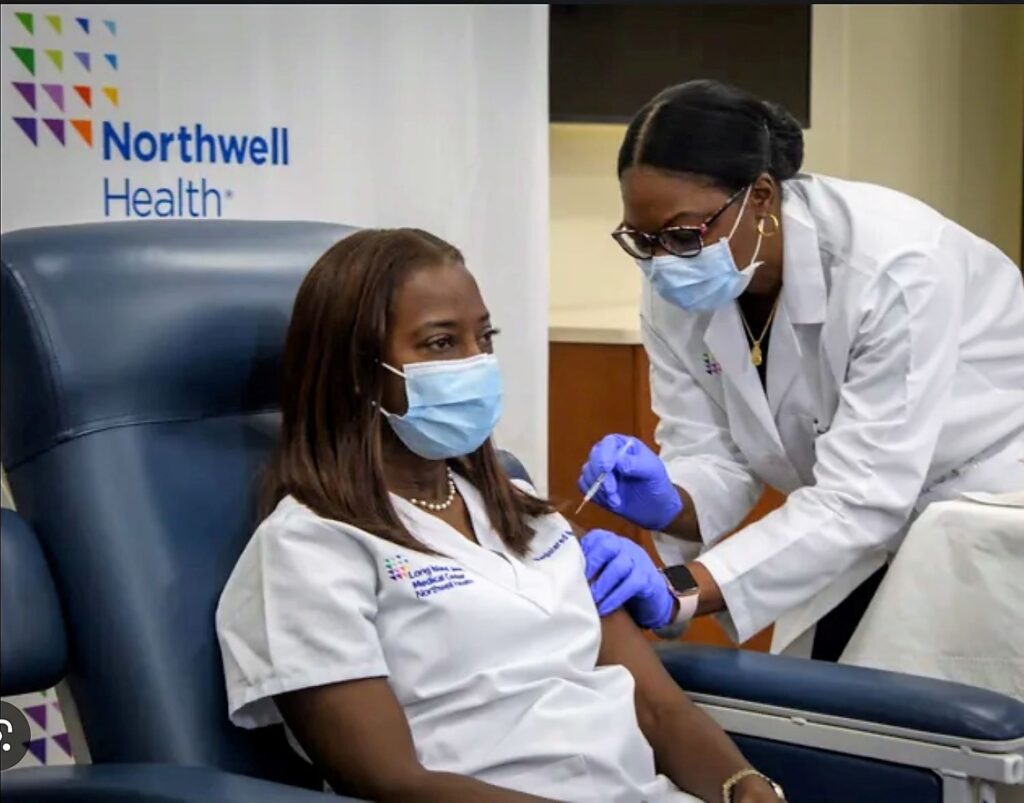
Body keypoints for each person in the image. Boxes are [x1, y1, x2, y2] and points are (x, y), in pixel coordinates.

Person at [215, 229, 784, 803]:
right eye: (440, 344)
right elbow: (388, 780)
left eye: (483, 337)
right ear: (359, 373)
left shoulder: (523, 513)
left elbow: (659, 710)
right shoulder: (312, 547)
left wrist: (747, 788)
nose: (475, 362)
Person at [578, 79, 1024, 660]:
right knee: (827, 708)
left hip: (984, 503)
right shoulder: (677, 280)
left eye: (683, 234)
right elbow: (716, 453)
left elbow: (860, 497)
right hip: (852, 518)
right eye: (642, 239)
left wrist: (680, 591)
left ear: (761, 196)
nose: (662, 260)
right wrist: (674, 499)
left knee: (931, 719)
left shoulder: (895, 267)